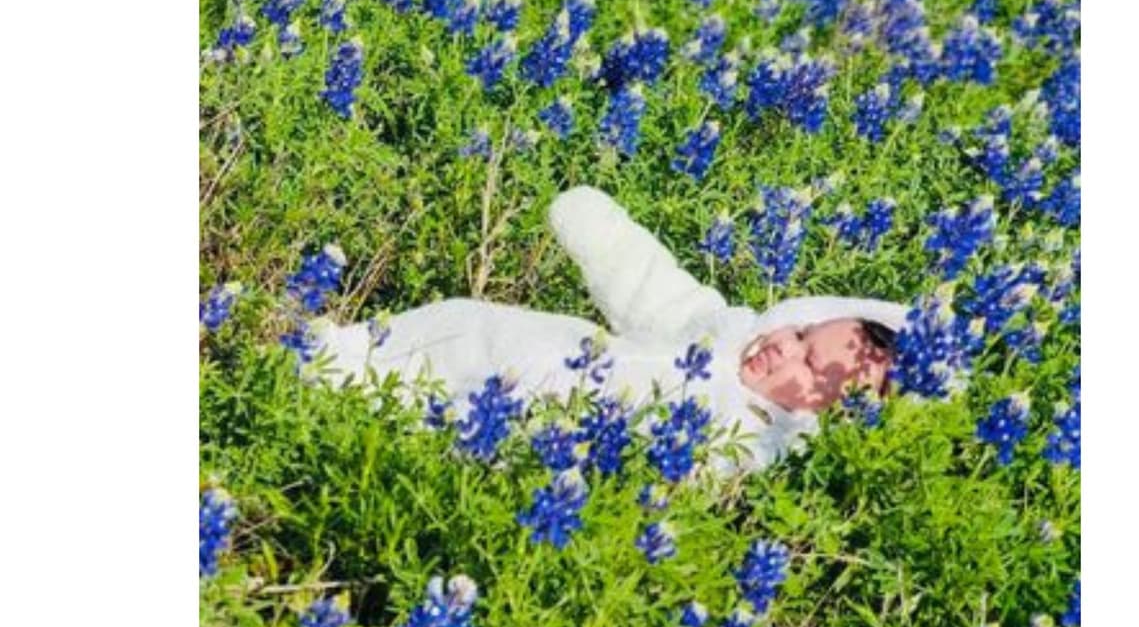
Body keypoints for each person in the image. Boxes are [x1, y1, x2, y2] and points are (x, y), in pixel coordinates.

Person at [314, 186, 908, 476]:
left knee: (468, 429)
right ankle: (344, 355)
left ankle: (360, 408)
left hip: (573, 433)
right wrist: (603, 233)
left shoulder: (757, 443)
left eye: (807, 369)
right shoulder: (728, 330)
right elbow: (656, 289)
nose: (789, 349)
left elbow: (687, 480)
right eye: (802, 334)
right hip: (566, 351)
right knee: (469, 323)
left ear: (827, 415)